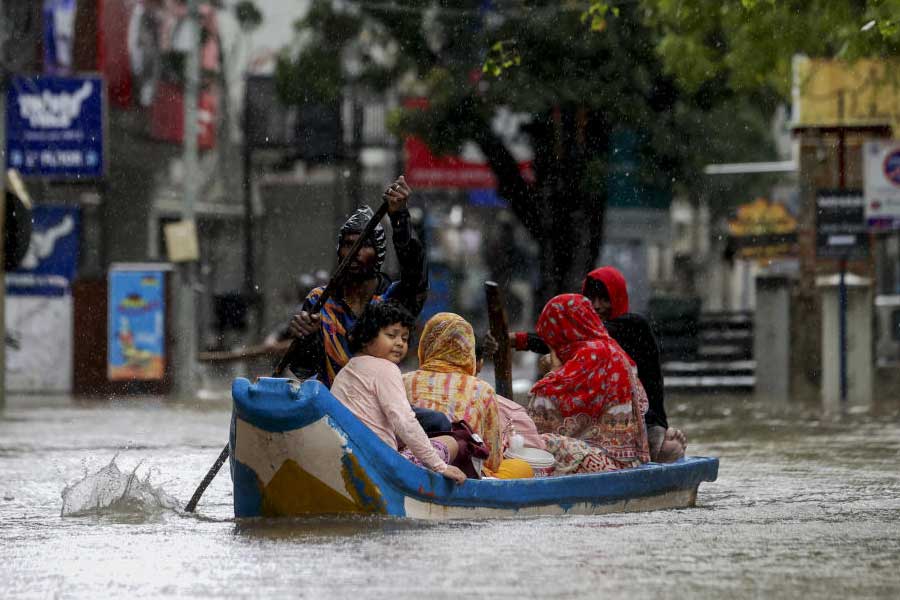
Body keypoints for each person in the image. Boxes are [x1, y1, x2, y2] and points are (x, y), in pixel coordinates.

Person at [508, 266, 687, 463]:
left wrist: (522, 341)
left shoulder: (629, 327)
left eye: (604, 299)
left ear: (617, 298)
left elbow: (568, 334)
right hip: (603, 421)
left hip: (645, 419)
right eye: (591, 300)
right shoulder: (598, 346)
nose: (597, 306)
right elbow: (568, 335)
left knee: (541, 440)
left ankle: (656, 447)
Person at [287, 176, 428, 387]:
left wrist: (399, 217)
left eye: (365, 245)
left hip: (379, 399)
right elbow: (302, 370)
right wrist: (308, 337)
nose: (354, 252)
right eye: (348, 245)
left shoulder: (392, 301)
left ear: (379, 254)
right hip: (331, 401)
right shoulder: (320, 301)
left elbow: (416, 275)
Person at [330, 301, 467, 484]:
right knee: (452, 443)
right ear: (366, 337)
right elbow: (404, 420)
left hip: (346, 458)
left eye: (404, 338)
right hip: (381, 466)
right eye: (391, 335)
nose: (399, 343)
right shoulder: (386, 368)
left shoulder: (346, 370)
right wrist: (439, 466)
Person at [527, 294, 650, 475]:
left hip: (609, 462)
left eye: (552, 336)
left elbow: (543, 403)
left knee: (537, 442)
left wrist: (553, 371)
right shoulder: (610, 347)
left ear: (564, 330)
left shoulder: (593, 353)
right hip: (627, 461)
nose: (553, 344)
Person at [403, 313, 505, 472]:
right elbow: (493, 461)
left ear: (426, 344)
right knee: (520, 467)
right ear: (468, 349)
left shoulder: (403, 381)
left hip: (407, 466)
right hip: (464, 473)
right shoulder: (483, 390)